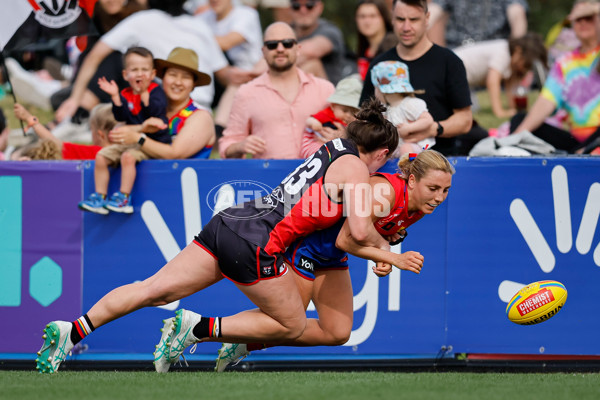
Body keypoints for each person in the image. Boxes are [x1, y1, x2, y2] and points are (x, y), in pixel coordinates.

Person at [35, 99, 403, 374]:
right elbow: (357, 231)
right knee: (290, 324)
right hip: (259, 242)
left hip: (231, 221)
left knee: (153, 288)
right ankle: (194, 327)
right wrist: (388, 250)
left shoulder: (332, 147)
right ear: (383, 153)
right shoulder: (356, 168)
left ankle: (73, 329)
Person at [213, 149, 455, 371]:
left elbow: (365, 231)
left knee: (337, 332)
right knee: (288, 322)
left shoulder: (419, 205)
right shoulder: (386, 191)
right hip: (306, 248)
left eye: (445, 190)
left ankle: (243, 345)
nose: (439, 197)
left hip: (331, 256)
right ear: (412, 180)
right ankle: (197, 328)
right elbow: (346, 240)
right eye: (433, 188)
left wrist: (384, 245)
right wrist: (393, 257)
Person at [76, 47, 216, 216]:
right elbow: (120, 131)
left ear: (193, 84)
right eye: (173, 75)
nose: (178, 82)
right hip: (145, 201)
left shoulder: (199, 116)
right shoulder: (149, 108)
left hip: (185, 203)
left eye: (185, 77)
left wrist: (138, 137)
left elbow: (174, 154)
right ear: (161, 78)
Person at [54, 0, 242, 121]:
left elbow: (95, 55)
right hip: (201, 109)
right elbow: (225, 74)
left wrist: (74, 98)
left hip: (167, 109)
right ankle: (80, 113)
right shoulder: (200, 26)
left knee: (118, 60)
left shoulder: (143, 19)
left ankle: (79, 113)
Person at [360, 0, 483, 157]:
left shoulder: (449, 62)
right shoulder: (379, 65)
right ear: (392, 19)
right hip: (388, 160)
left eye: (413, 19)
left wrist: (433, 128)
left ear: (427, 18)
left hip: (440, 159)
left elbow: (465, 120)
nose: (406, 27)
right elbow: (363, 116)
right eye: (400, 19)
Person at [219, 22, 335, 159]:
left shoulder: (325, 89)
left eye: (287, 43)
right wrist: (240, 146)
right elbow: (227, 144)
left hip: (319, 176)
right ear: (263, 51)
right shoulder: (246, 93)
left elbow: (345, 132)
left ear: (298, 48)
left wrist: (339, 136)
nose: (280, 49)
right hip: (269, 178)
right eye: (272, 45)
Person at [78, 47, 173, 214]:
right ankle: (100, 197)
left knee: (127, 157)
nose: (139, 74)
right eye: (134, 70)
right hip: (129, 142)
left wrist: (144, 94)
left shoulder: (155, 91)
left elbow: (156, 112)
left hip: (150, 143)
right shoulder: (126, 93)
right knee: (101, 156)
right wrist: (115, 97)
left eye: (144, 70)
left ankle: (124, 197)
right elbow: (120, 116)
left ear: (152, 74)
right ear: (125, 75)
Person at [511, 0, 600, 153]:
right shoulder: (564, 62)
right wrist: (515, 138)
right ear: (572, 24)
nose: (583, 23)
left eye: (589, 18)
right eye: (578, 19)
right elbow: (547, 101)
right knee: (519, 121)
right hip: (577, 141)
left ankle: (586, 152)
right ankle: (582, 153)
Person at [199, 0, 264, 133]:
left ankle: (218, 130)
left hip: (250, 76)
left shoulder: (247, 14)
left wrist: (197, 37)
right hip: (218, 75)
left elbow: (226, 42)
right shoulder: (203, 18)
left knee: (236, 82)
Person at [453, 33, 548, 119]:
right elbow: (492, 81)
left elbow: (510, 85)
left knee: (470, 107)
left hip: (461, 82)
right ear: (518, 51)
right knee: (465, 110)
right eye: (526, 65)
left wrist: (513, 108)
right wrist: (499, 111)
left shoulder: (510, 59)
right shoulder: (503, 51)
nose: (524, 69)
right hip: (450, 74)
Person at [371, 60, 434, 157]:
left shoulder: (409, 104)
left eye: (375, 88)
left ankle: (408, 171)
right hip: (398, 148)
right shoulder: (387, 109)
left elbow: (428, 120)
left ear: (382, 90)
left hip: (417, 147)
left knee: (405, 148)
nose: (374, 92)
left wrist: (409, 128)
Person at [13, 103, 116, 160]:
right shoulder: (126, 152)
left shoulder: (95, 153)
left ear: (99, 134)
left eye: (91, 129)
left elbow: (54, 143)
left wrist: (29, 118)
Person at [301, 75, 362, 157]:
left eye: (353, 112)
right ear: (333, 106)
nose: (348, 115)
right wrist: (314, 123)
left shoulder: (356, 123)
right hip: (315, 142)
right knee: (321, 152)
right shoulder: (328, 114)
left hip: (335, 148)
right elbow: (310, 120)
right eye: (344, 111)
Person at [427, 0, 528, 49]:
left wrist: (515, 51)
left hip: (493, 53)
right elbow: (433, 11)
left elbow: (517, 13)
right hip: (457, 51)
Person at [289, 0, 346, 84]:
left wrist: (272, 61)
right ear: (290, 8)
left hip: (329, 95)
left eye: (309, 6)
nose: (303, 10)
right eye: (296, 6)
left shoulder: (330, 31)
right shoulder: (285, 31)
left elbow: (309, 51)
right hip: (289, 89)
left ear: (319, 7)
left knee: (312, 65)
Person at [355, 0, 398, 81]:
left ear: (384, 18)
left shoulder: (392, 43)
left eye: (373, 16)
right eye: (362, 16)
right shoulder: (364, 49)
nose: (367, 22)